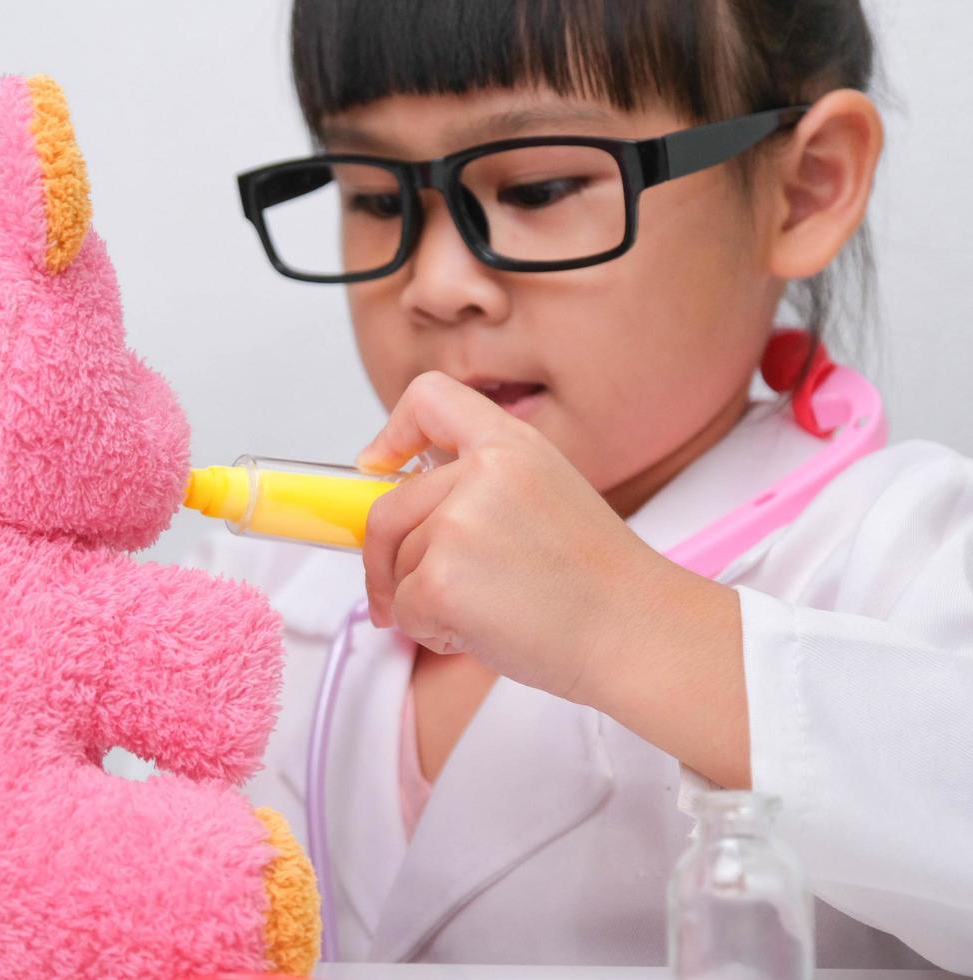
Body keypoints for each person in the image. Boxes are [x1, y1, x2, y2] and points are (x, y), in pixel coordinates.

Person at [181, 0, 973, 970]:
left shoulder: (910, 558)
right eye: (377, 198)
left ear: (805, 189)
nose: (436, 282)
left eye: (541, 185)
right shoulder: (251, 584)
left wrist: (623, 621)